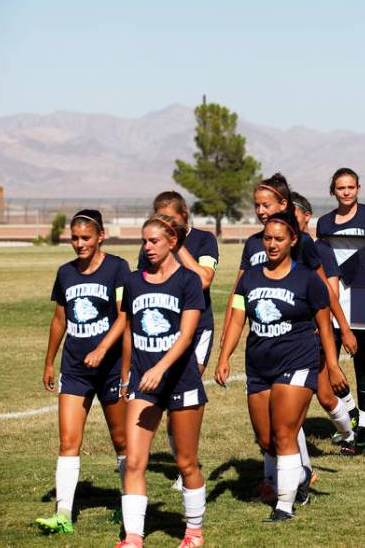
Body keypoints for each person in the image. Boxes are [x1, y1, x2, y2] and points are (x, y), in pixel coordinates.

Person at [215, 209, 346, 521]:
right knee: (266, 440)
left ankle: (284, 506)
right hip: (259, 367)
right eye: (267, 238)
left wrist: (333, 364)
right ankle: (299, 476)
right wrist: (224, 357)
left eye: (278, 239)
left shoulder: (307, 280)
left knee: (285, 432)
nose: (271, 244)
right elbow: (236, 320)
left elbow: (325, 327)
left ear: (293, 241)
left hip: (298, 362)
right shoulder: (250, 278)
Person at [36, 211, 131, 536]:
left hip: (110, 370)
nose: (79, 243)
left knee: (121, 440)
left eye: (86, 238)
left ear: (100, 236)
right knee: (68, 441)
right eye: (75, 238)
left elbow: (123, 317)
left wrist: (104, 350)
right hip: (74, 369)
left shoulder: (118, 268)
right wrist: (50, 361)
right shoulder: (65, 273)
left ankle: (128, 501)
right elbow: (59, 320)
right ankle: (63, 513)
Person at [117, 215, 207, 548]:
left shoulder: (188, 281)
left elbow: (186, 335)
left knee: (185, 462)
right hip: (143, 383)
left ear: (172, 241)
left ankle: (193, 532)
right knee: (135, 461)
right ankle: (134, 537)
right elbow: (130, 330)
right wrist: (128, 375)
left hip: (181, 382)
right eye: (144, 241)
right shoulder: (134, 282)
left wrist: (162, 367)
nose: (147, 247)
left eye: (153, 241)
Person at [137, 192, 218, 492]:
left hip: (197, 329)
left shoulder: (204, 240)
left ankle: (188, 464)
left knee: (186, 391)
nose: (164, 226)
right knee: (166, 396)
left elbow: (204, 279)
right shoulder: (151, 245)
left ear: (184, 213)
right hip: (161, 333)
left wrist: (178, 246)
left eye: (170, 220)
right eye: (160, 220)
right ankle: (181, 462)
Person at [315, 168, 365, 446]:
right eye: (340, 188)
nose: (346, 192)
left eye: (350, 187)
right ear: (333, 191)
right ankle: (351, 412)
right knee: (328, 360)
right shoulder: (324, 223)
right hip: (334, 296)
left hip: (361, 294)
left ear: (358, 188)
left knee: (362, 361)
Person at [290, 193, 358, 457]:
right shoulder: (281, 247)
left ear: (307, 216)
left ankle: (350, 431)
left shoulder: (318, 248)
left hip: (315, 329)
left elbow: (331, 292)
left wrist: (337, 324)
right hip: (289, 332)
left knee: (326, 395)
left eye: (293, 214)